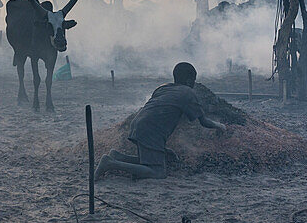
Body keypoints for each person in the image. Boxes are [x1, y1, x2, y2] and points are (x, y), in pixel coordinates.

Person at [95, 62, 224, 180]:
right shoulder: (188, 93)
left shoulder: (163, 88)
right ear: (190, 80)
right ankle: (110, 163)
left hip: (138, 123)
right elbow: (204, 121)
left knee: (145, 161)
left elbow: (160, 110)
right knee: (157, 172)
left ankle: (117, 157)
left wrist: (164, 149)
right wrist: (220, 126)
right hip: (151, 130)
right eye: (194, 81)